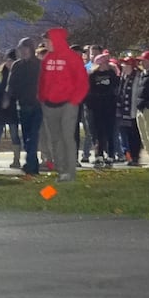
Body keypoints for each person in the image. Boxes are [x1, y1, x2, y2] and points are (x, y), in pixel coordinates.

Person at [37, 26, 90, 183]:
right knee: (55, 139)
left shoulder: (72, 58)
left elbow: (82, 82)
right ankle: (61, 171)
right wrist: (41, 97)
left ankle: (70, 172)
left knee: (67, 137)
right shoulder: (47, 58)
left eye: (47, 41)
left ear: (56, 40)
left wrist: (74, 101)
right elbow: (43, 81)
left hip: (68, 104)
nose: (45, 44)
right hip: (49, 105)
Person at [7, 36, 44, 175]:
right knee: (27, 137)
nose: (22, 51)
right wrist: (8, 97)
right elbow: (11, 84)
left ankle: (30, 163)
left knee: (33, 135)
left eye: (25, 48)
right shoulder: (17, 65)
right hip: (23, 105)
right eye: (20, 49)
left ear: (31, 49)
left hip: (38, 105)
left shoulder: (39, 65)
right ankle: (32, 165)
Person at [84, 53, 120, 167]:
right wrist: (90, 104)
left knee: (110, 132)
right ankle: (99, 155)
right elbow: (88, 91)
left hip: (109, 106)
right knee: (99, 132)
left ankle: (110, 155)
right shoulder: (93, 75)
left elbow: (116, 88)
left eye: (105, 62)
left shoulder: (112, 74)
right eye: (101, 63)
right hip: (97, 107)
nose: (103, 65)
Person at [0, 49, 21, 168]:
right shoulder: (0, 74)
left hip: (13, 109)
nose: (9, 63)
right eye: (8, 60)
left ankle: (16, 160)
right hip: (0, 110)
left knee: (14, 135)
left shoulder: (18, 74)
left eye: (12, 61)